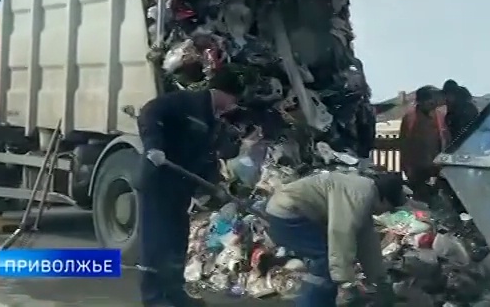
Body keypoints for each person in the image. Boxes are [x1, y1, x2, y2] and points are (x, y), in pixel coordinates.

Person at [135, 66, 244, 307]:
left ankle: (175, 293)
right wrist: (154, 146)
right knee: (156, 241)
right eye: (233, 100)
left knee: (177, 241)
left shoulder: (214, 120)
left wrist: (214, 189)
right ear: (222, 93)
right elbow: (150, 112)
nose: (233, 106)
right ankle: (153, 298)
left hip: (180, 187)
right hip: (158, 181)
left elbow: (206, 157)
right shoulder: (186, 102)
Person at [265, 171, 402, 307]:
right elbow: (341, 236)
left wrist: (380, 280)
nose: (385, 213)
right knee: (325, 264)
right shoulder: (360, 196)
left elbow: (367, 243)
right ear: (384, 199)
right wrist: (346, 283)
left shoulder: (364, 195)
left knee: (327, 267)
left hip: (289, 213)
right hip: (288, 214)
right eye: (389, 209)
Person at [398, 85, 450, 202]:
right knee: (419, 200)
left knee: (436, 199)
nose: (434, 103)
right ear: (422, 101)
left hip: (436, 167)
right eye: (431, 100)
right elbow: (403, 144)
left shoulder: (440, 116)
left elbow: (445, 138)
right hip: (417, 167)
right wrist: (406, 167)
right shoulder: (410, 118)